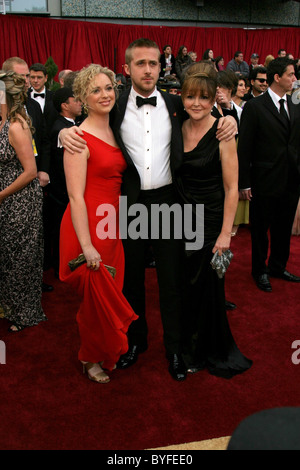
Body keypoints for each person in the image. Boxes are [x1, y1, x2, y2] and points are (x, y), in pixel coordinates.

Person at [58, 38, 237, 381]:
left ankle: (175, 349)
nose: (148, 70)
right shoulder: (114, 103)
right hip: (128, 205)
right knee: (132, 281)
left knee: (173, 281)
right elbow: (85, 129)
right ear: (127, 69)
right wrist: (64, 136)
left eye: (153, 63)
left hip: (170, 203)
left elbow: (205, 113)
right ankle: (135, 343)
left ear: (161, 66)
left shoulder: (174, 102)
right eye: (140, 63)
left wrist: (230, 119)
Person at [59, 64, 137, 383]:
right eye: (95, 90)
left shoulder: (117, 127)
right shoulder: (78, 137)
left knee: (110, 291)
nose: (104, 94)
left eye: (108, 88)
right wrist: (88, 245)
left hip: (112, 223)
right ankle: (89, 358)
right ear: (82, 97)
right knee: (95, 298)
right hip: (88, 225)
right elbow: (75, 197)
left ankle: (106, 350)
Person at [176, 62, 252, 378]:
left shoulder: (223, 132)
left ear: (213, 99)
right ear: (181, 97)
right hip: (178, 219)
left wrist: (226, 234)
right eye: (191, 96)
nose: (196, 103)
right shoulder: (177, 126)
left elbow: (232, 188)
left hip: (210, 222)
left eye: (203, 98)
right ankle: (188, 347)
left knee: (209, 288)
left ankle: (208, 349)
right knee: (185, 289)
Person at [238, 57, 300, 292]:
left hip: (291, 179)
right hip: (263, 181)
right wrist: (244, 183)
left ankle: (277, 266)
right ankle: (259, 270)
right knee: (260, 230)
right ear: (278, 77)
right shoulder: (254, 107)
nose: (294, 79)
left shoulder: (295, 104)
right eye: (291, 75)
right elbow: (244, 148)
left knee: (283, 228)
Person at [0, 71, 46, 331]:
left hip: (20, 201)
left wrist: (2, 195)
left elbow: (30, 171)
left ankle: (25, 313)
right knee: (6, 256)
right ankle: (9, 306)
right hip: (6, 198)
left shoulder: (17, 125)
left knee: (20, 258)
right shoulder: (2, 121)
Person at [49, 87, 83, 277]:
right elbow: (62, 166)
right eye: (76, 100)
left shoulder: (74, 123)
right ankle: (60, 268)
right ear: (65, 105)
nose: (80, 102)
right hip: (62, 193)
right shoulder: (60, 128)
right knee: (61, 233)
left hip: (67, 192)